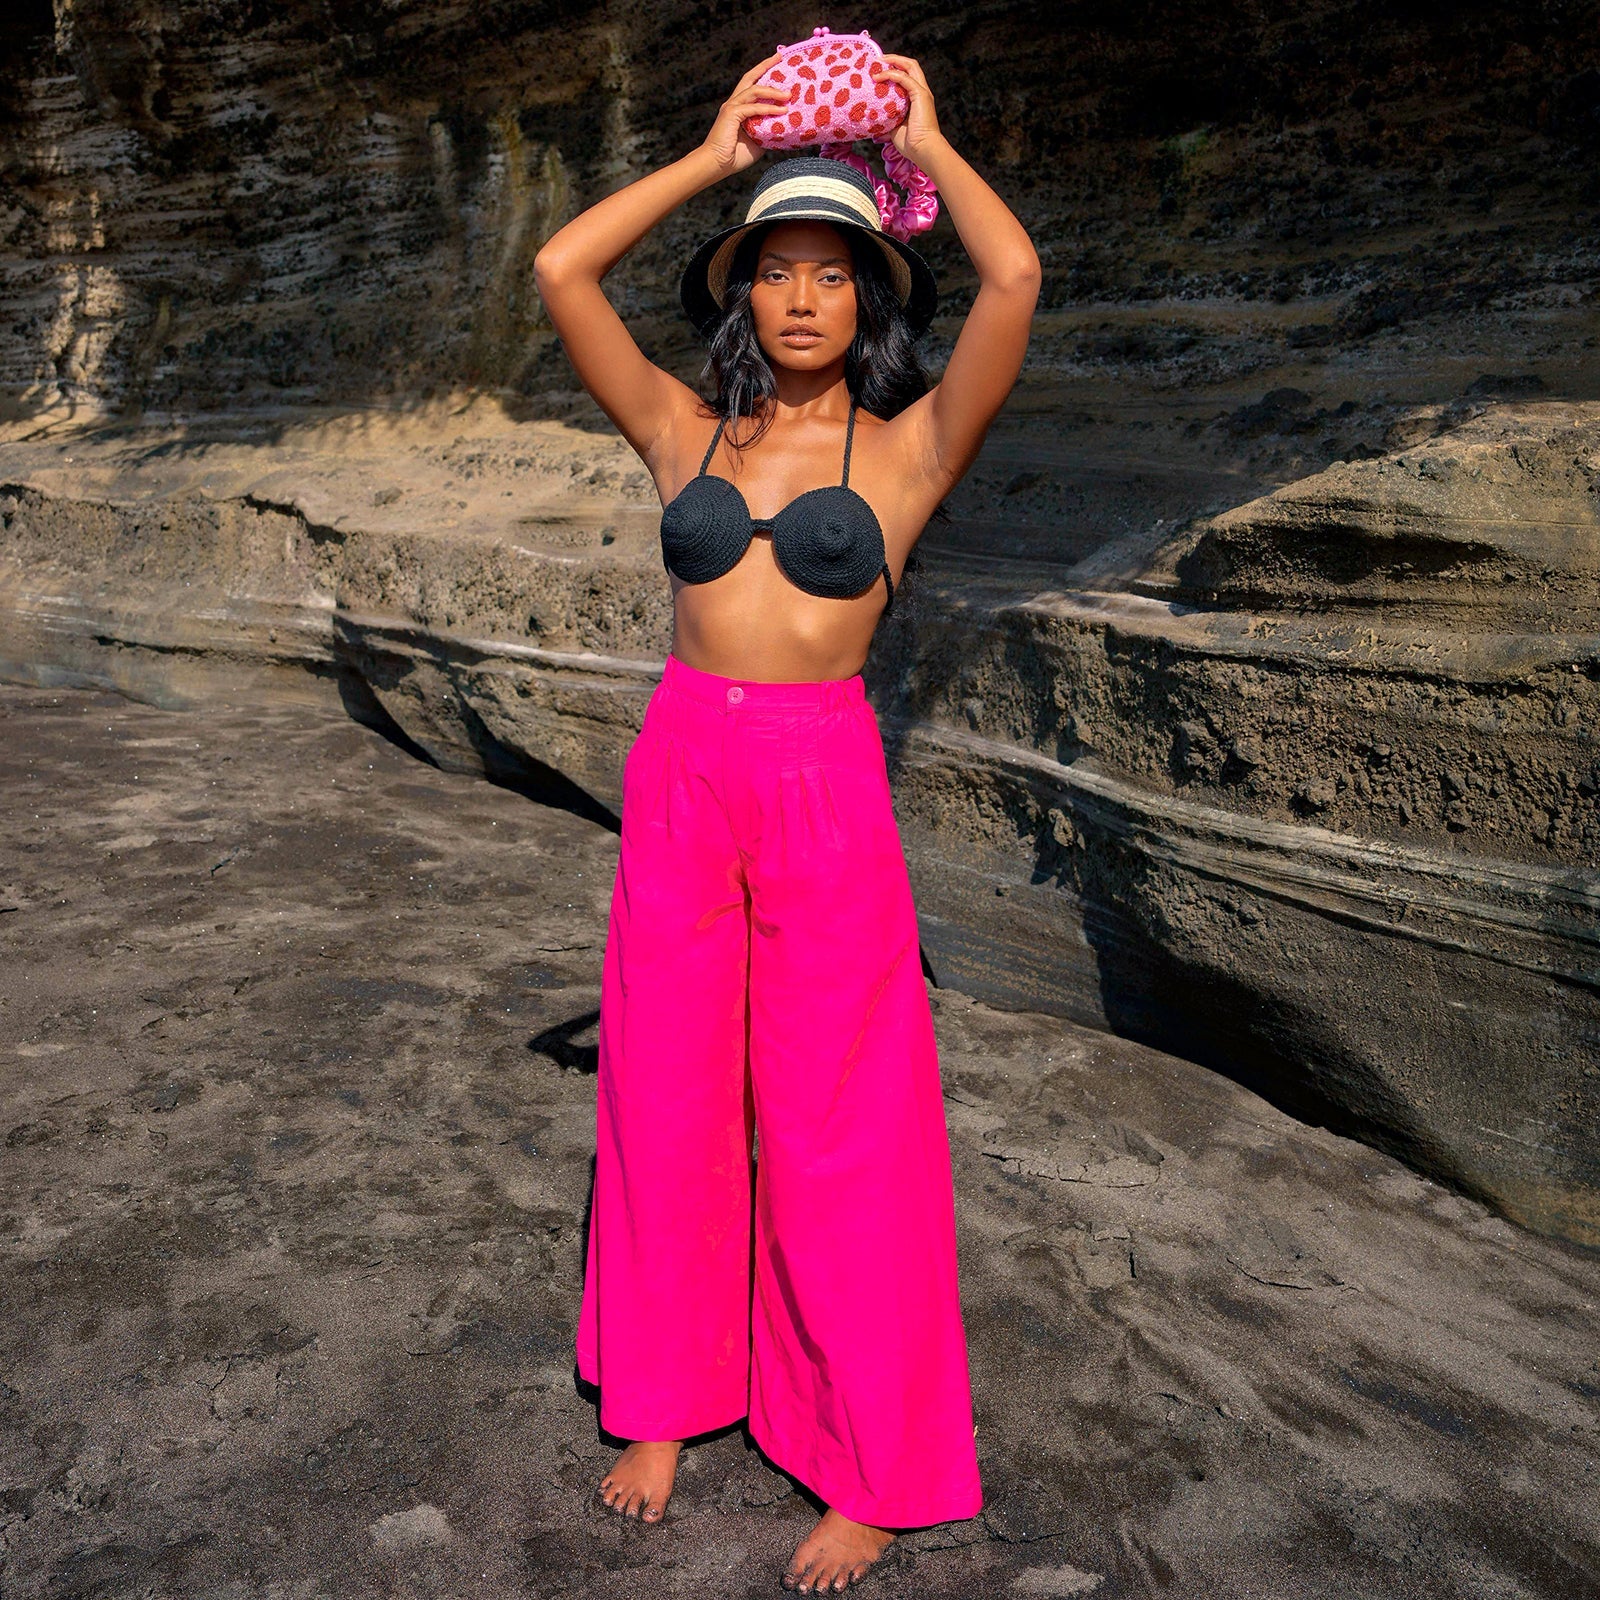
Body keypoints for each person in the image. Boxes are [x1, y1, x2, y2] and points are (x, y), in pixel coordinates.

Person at [533, 48, 1039, 1596]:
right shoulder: (686, 432)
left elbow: (1014, 271)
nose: (804, 299)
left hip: (823, 783)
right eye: (775, 271)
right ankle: (672, 1404)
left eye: (833, 272)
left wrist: (932, 140)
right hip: (686, 764)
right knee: (670, 1092)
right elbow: (562, 266)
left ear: (871, 295)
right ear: (741, 291)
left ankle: (872, 1472)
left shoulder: (907, 449)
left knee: (838, 1122)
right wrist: (709, 154)